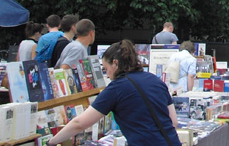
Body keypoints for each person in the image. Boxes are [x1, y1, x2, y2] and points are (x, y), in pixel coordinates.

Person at [48, 40, 179, 146]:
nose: (107, 75)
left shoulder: (117, 88)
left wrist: (52, 142)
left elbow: (79, 124)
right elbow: (173, 122)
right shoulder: (155, 80)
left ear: (115, 64)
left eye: (105, 69)